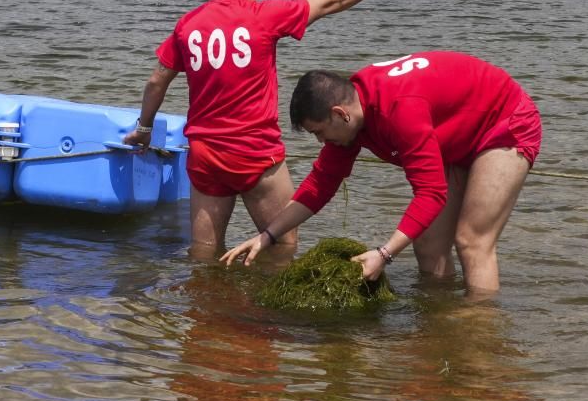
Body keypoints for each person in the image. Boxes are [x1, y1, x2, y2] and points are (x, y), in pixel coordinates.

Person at [123, 0, 400, 260]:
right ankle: (266, 309)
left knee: (204, 254)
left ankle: (204, 307)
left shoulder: (189, 25)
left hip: (206, 155)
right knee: (282, 247)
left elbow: (157, 81)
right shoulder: (266, 15)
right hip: (255, 153)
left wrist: (144, 130)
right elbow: (330, 1)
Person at [219, 51, 541, 295]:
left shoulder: (399, 112)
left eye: (319, 132)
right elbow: (321, 184)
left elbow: (431, 193)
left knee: (472, 240)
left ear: (338, 113)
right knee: (427, 245)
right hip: (456, 136)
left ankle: (478, 332)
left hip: (504, 122)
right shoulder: (352, 114)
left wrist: (384, 254)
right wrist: (267, 235)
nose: (321, 142)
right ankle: (441, 324)